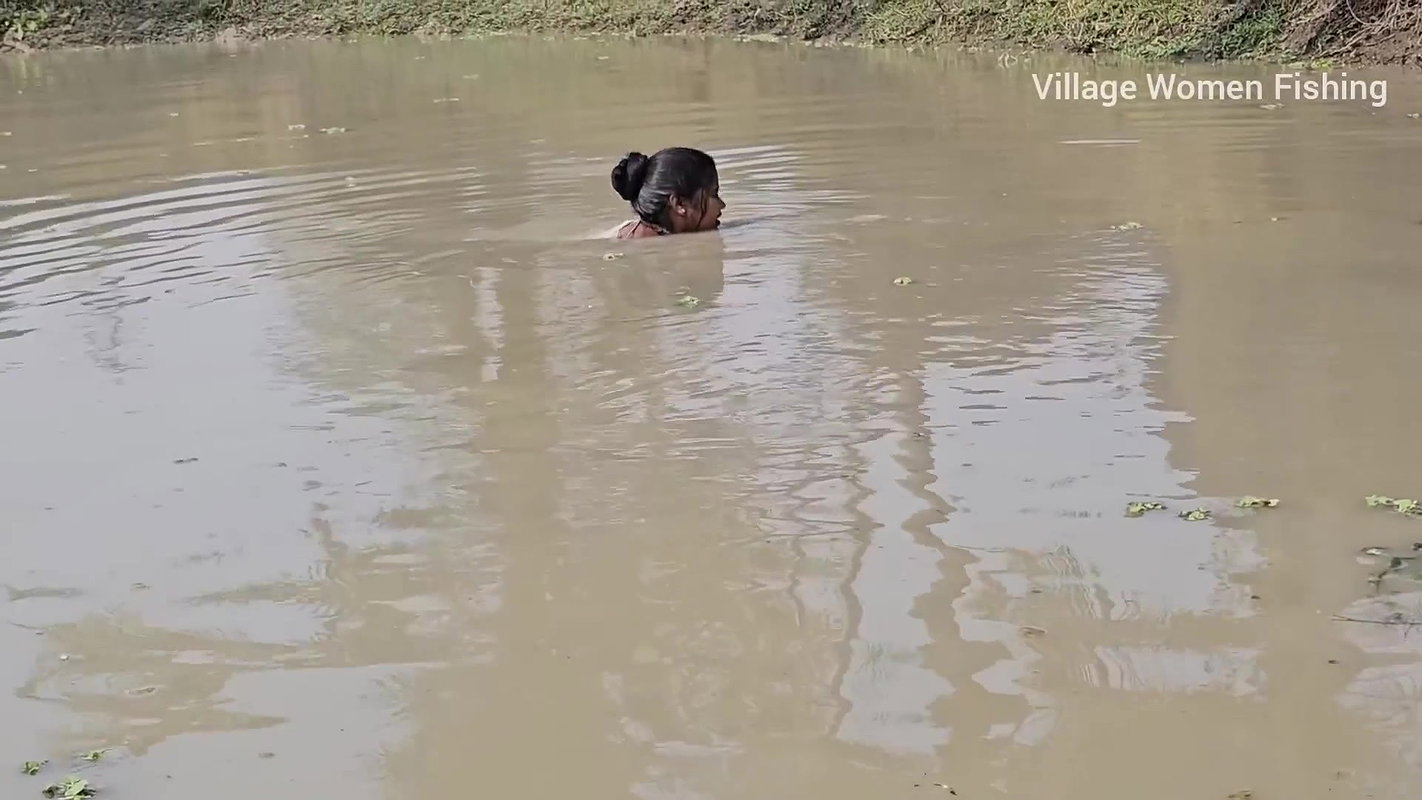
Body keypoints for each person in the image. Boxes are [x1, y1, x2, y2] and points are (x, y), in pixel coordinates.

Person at [610, 147, 725, 239]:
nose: (722, 205)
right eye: (714, 194)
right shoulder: (662, 255)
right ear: (679, 204)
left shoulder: (622, 235)